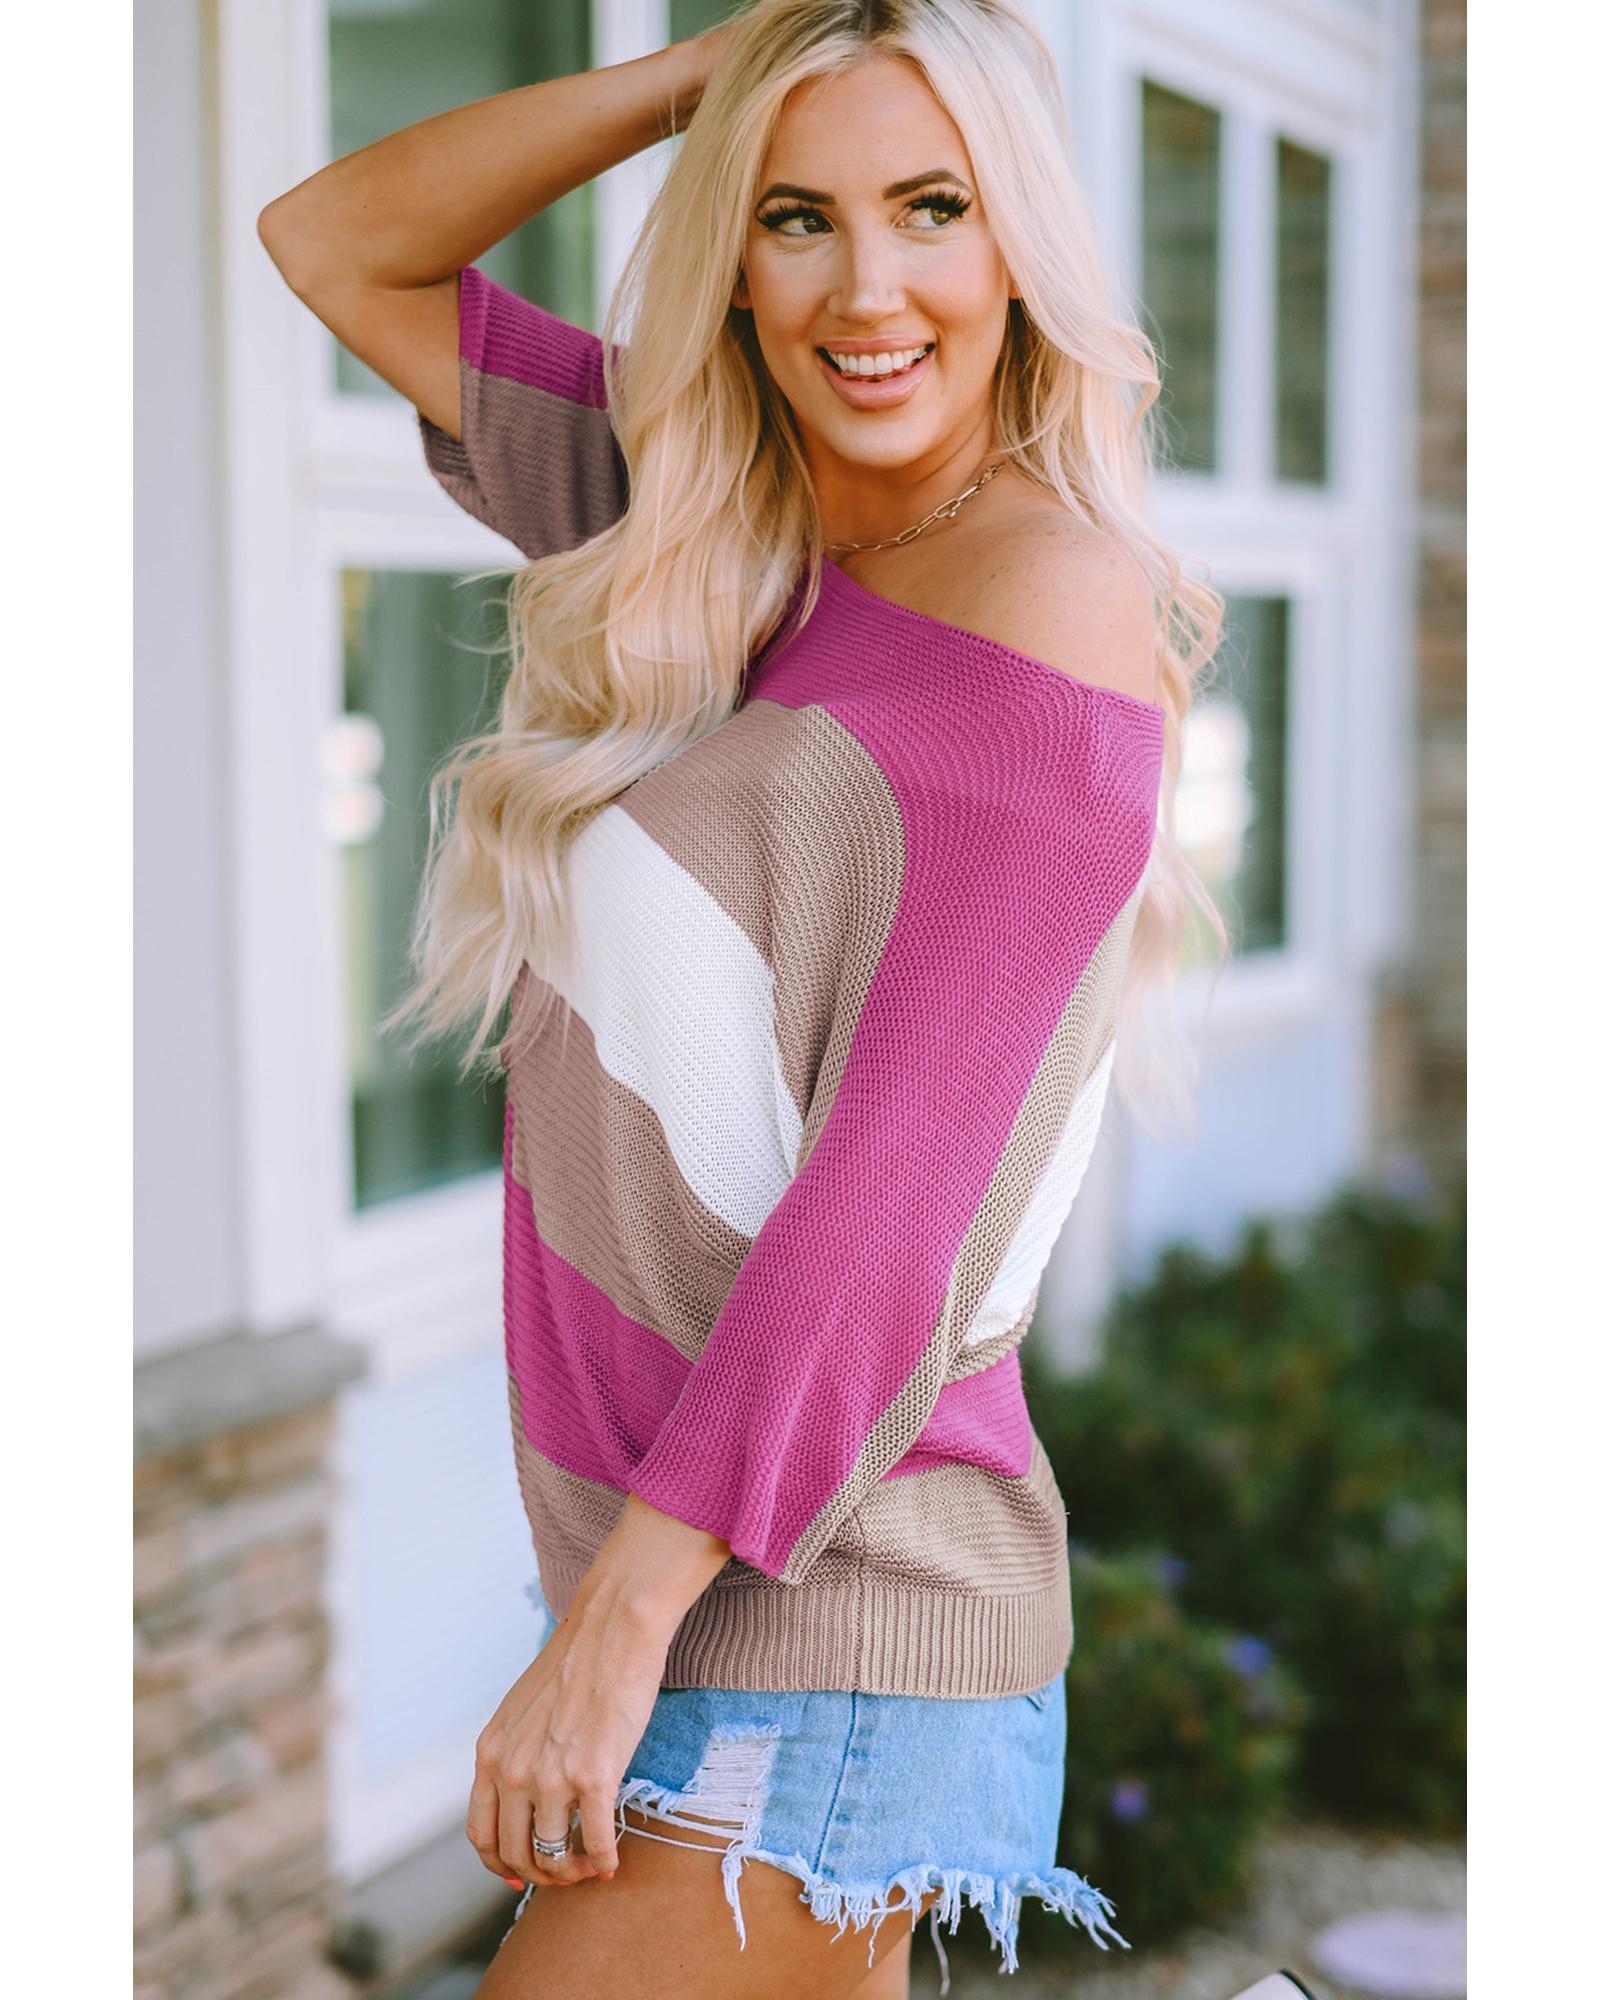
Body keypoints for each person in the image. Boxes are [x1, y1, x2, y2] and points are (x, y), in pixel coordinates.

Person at [258, 3, 1229, 1994]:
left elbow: (898, 1202)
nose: (867, 290)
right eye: (797, 217)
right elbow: (335, 242)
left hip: (821, 1615)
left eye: (931, 207)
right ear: (730, 251)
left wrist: (613, 1633)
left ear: (1017, 248)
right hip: (737, 1594)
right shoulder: (701, 523)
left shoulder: (1049, 601)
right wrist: (705, 77)